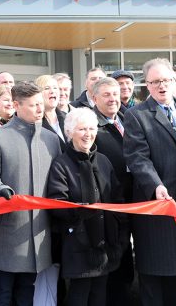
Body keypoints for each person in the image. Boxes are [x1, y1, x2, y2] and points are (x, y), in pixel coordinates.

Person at [124, 58, 176, 306]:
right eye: (155, 81)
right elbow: (137, 158)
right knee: (154, 278)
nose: (161, 86)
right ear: (146, 85)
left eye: (166, 80)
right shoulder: (136, 115)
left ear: (175, 81)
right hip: (155, 209)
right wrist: (155, 185)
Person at [0, 82, 62, 306]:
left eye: (40, 104)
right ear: (16, 105)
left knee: (27, 295)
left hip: (39, 236)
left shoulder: (51, 140)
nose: (39, 109)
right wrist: (0, 190)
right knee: (2, 295)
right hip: (6, 235)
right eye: (33, 105)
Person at [46, 108, 128, 306]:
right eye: (82, 129)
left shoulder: (104, 161)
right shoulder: (61, 164)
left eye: (92, 128)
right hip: (78, 245)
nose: (88, 134)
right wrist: (80, 211)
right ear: (70, 132)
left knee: (99, 297)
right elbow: (58, 204)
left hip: (106, 245)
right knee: (79, 297)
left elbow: (118, 199)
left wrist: (120, 235)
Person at [90, 77, 134, 306]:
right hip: (109, 204)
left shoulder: (129, 118)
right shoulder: (91, 126)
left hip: (135, 199)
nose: (112, 99)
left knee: (128, 261)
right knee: (114, 262)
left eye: (115, 94)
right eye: (106, 95)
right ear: (94, 98)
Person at [36, 74, 67, 150]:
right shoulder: (34, 122)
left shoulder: (68, 118)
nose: (52, 91)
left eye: (55, 88)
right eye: (47, 88)